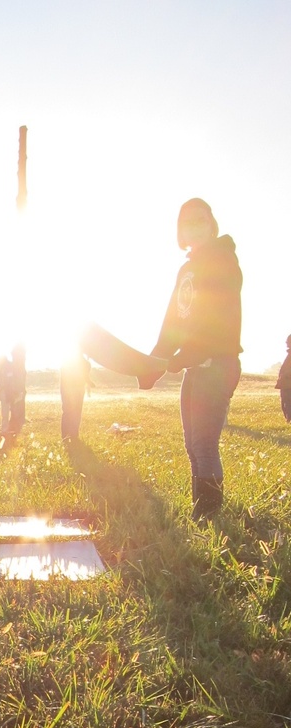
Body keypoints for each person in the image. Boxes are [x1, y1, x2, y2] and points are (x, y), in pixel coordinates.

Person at [151, 198, 242, 521]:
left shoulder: (223, 260)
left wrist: (184, 355)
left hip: (217, 363)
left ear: (211, 224)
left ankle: (211, 515)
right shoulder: (186, 269)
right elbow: (173, 320)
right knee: (192, 445)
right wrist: (155, 360)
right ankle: (199, 511)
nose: (196, 227)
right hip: (195, 366)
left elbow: (217, 317)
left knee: (204, 444)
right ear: (181, 231)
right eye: (188, 223)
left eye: (201, 220)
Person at [60, 352, 91, 441]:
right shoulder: (84, 363)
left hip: (69, 390)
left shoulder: (67, 361)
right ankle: (71, 435)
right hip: (73, 390)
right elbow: (85, 376)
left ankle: (68, 435)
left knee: (69, 411)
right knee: (74, 411)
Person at [6, 343, 27, 434]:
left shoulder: (18, 365)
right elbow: (17, 377)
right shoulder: (18, 365)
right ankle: (15, 421)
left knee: (17, 403)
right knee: (16, 404)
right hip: (16, 388)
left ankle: (18, 419)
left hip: (17, 387)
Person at [276, 336, 291, 423]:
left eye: (288, 341)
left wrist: (285, 375)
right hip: (285, 384)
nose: (286, 343)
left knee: (287, 403)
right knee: (285, 403)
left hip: (288, 385)